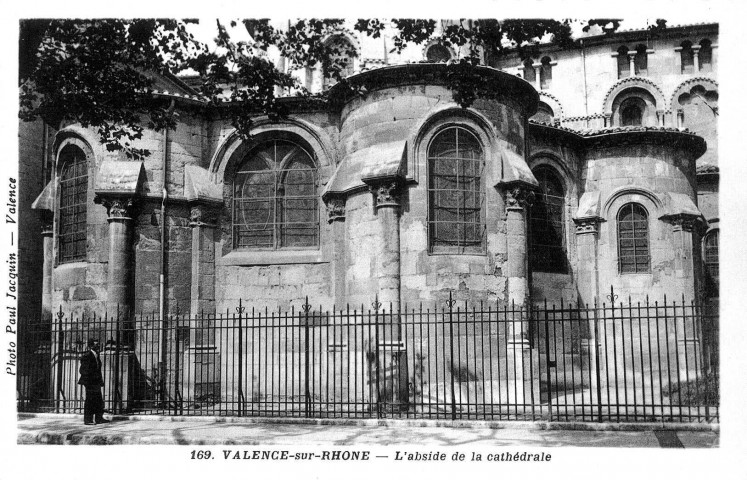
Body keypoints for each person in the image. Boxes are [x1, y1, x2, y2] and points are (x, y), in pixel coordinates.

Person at [78, 338, 110, 425]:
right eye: (96, 345)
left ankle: (99, 418)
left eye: (98, 344)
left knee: (98, 400)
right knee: (90, 401)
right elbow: (82, 370)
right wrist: (90, 379)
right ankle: (88, 420)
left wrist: (99, 381)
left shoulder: (96, 355)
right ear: (91, 346)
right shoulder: (87, 355)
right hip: (90, 382)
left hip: (96, 382)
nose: (98, 346)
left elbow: (97, 370)